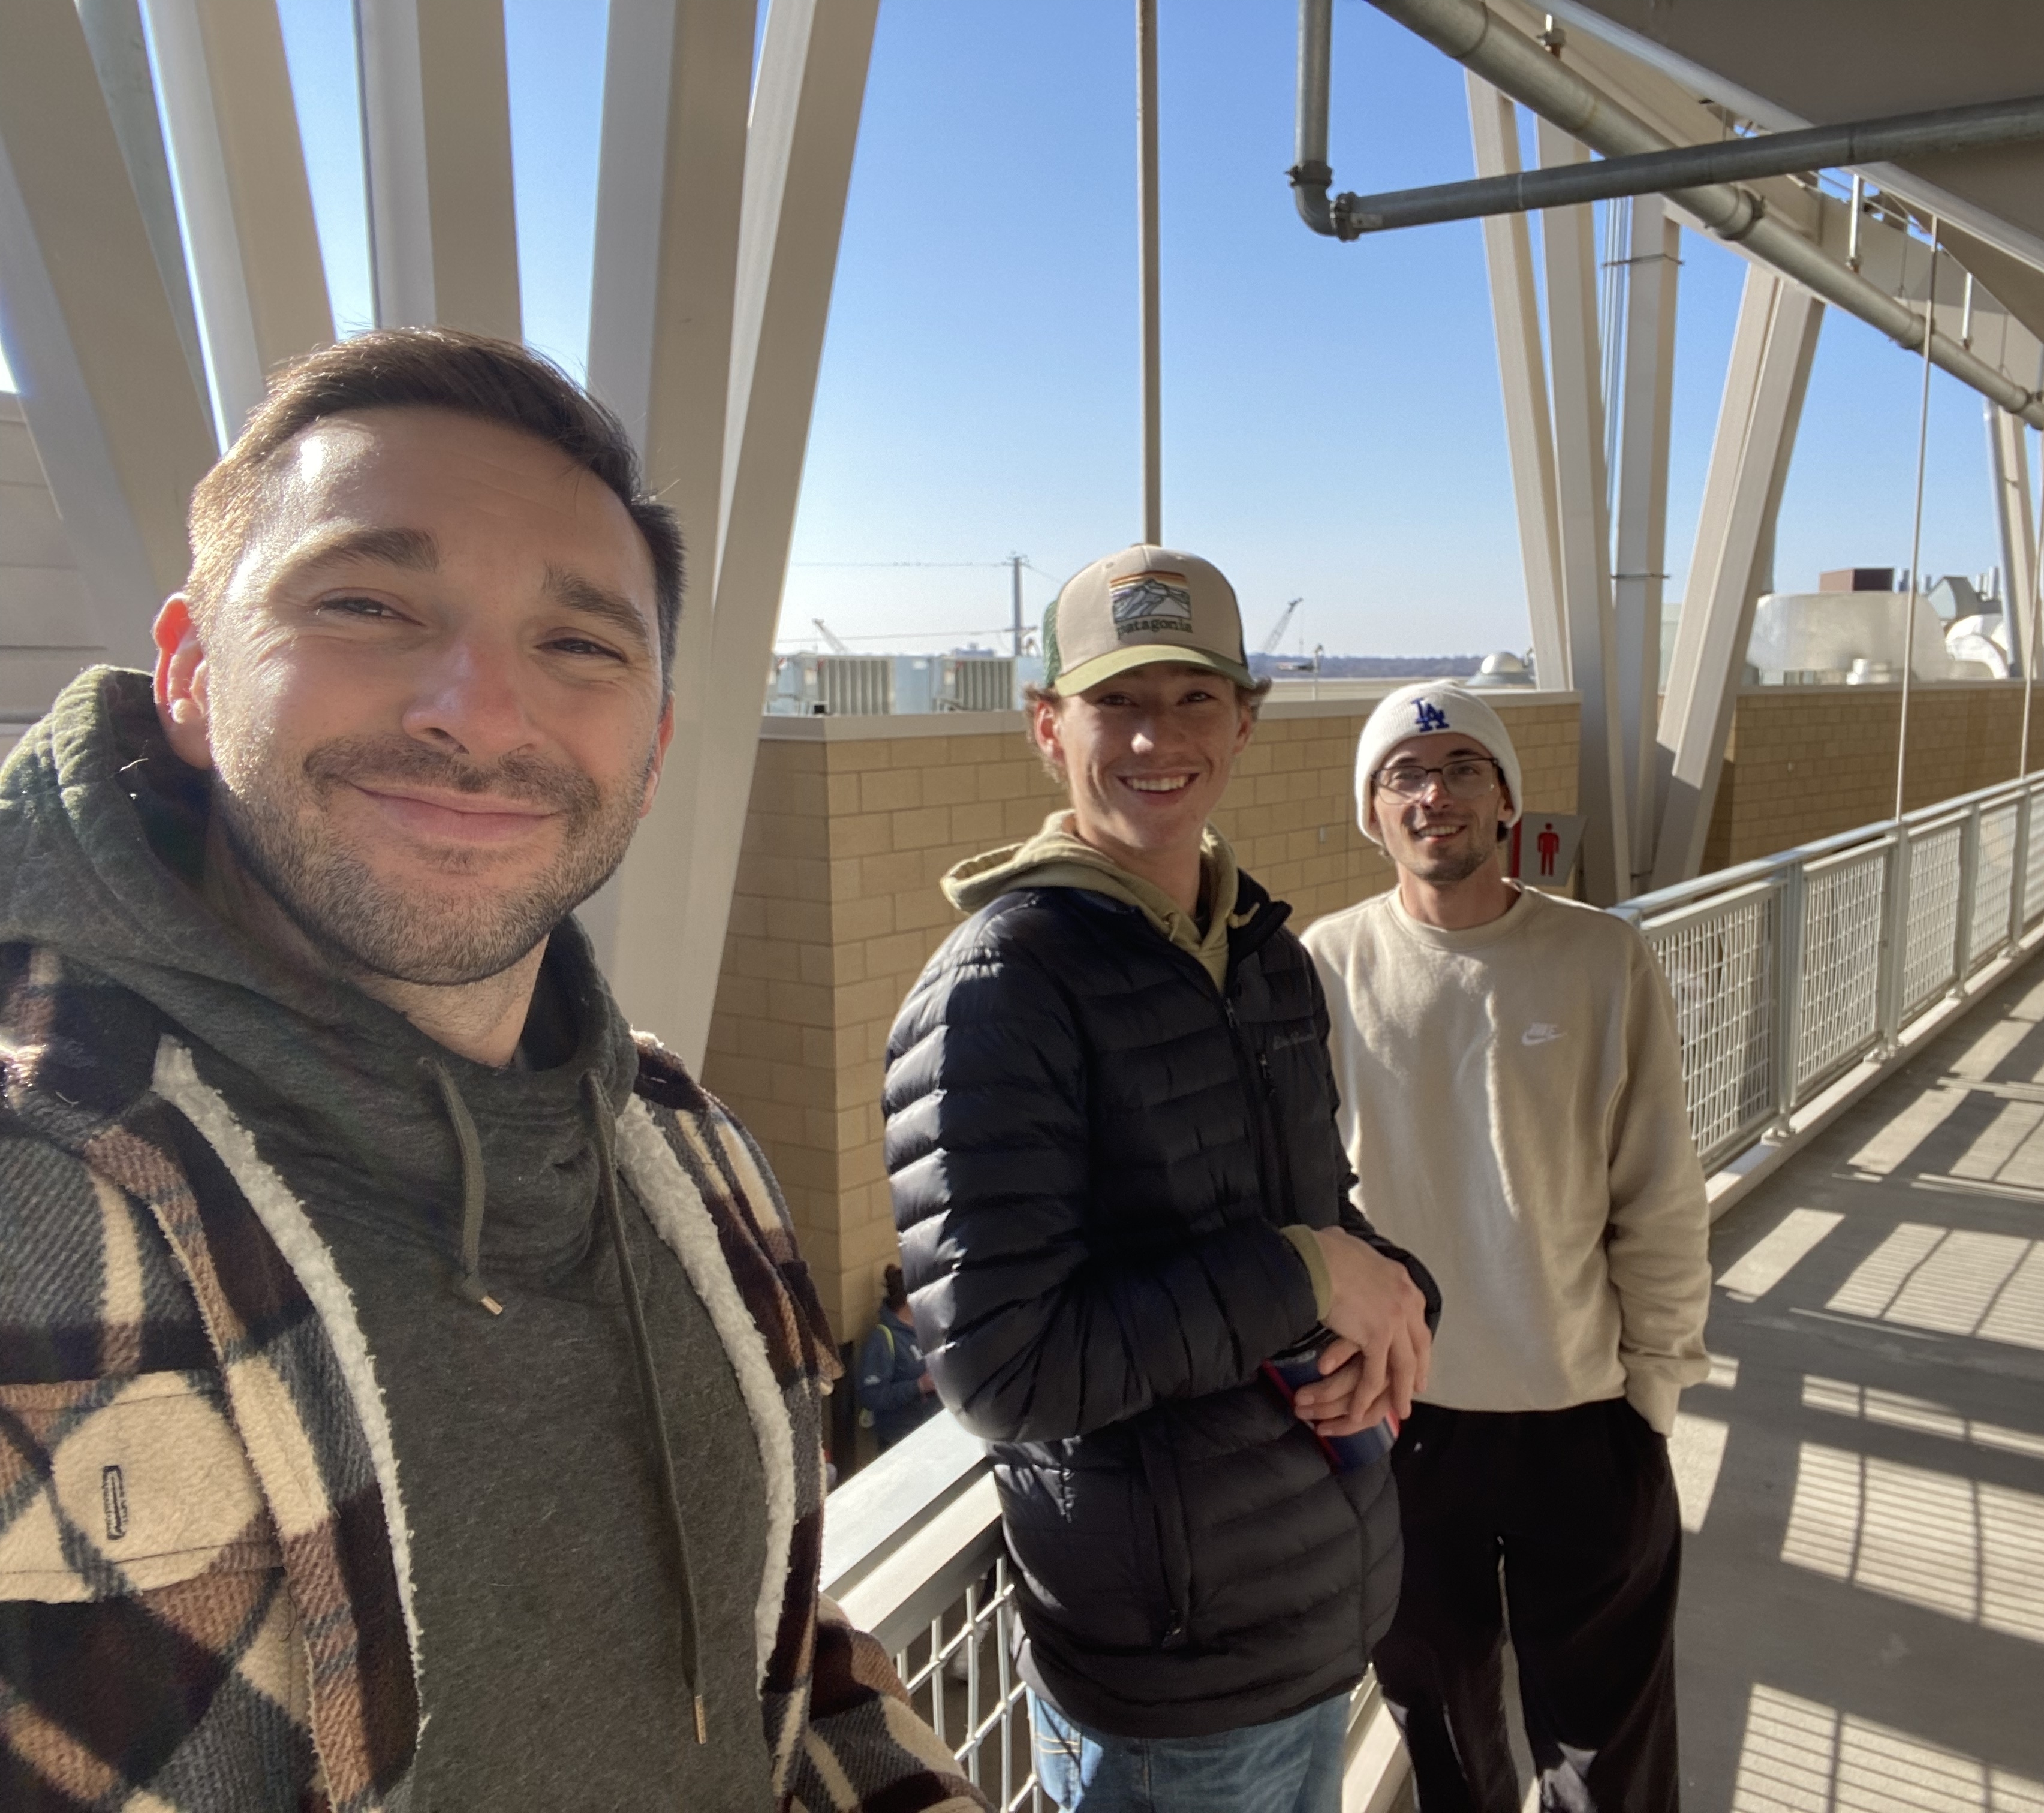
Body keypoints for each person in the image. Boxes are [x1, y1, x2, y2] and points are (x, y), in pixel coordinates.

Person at [0, 329, 977, 1811]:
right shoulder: (37, 1190)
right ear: (192, 673)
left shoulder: (683, 1147)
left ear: (652, 750)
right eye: (368, 604)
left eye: (578, 644)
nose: (477, 710)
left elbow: (762, 1656)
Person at [883, 545, 1441, 1813]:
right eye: (1117, 701)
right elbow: (1004, 1370)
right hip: (1168, 1680)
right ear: (1048, 726)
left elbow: (1316, 1221)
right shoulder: (1000, 989)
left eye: (1195, 697)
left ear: (1245, 722)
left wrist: (1399, 1300)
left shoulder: (1262, 954)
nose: (1157, 737)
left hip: (1311, 1613)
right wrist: (1307, 1274)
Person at [1302, 684, 1712, 1813]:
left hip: (1583, 1410)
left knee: (1609, 1759)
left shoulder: (1601, 957)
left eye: (1462, 769)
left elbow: (1658, 1190)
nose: (1433, 795)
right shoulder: (1324, 965)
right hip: (1401, 1417)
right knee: (1444, 1741)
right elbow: (1294, 1195)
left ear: (1506, 800)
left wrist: (1653, 1390)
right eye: (1403, 775)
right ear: (1373, 811)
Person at [859, 1261, 941, 1450]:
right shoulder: (883, 1339)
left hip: (933, 1430)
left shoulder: (928, 1328)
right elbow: (871, 1396)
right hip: (902, 1440)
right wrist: (918, 1386)